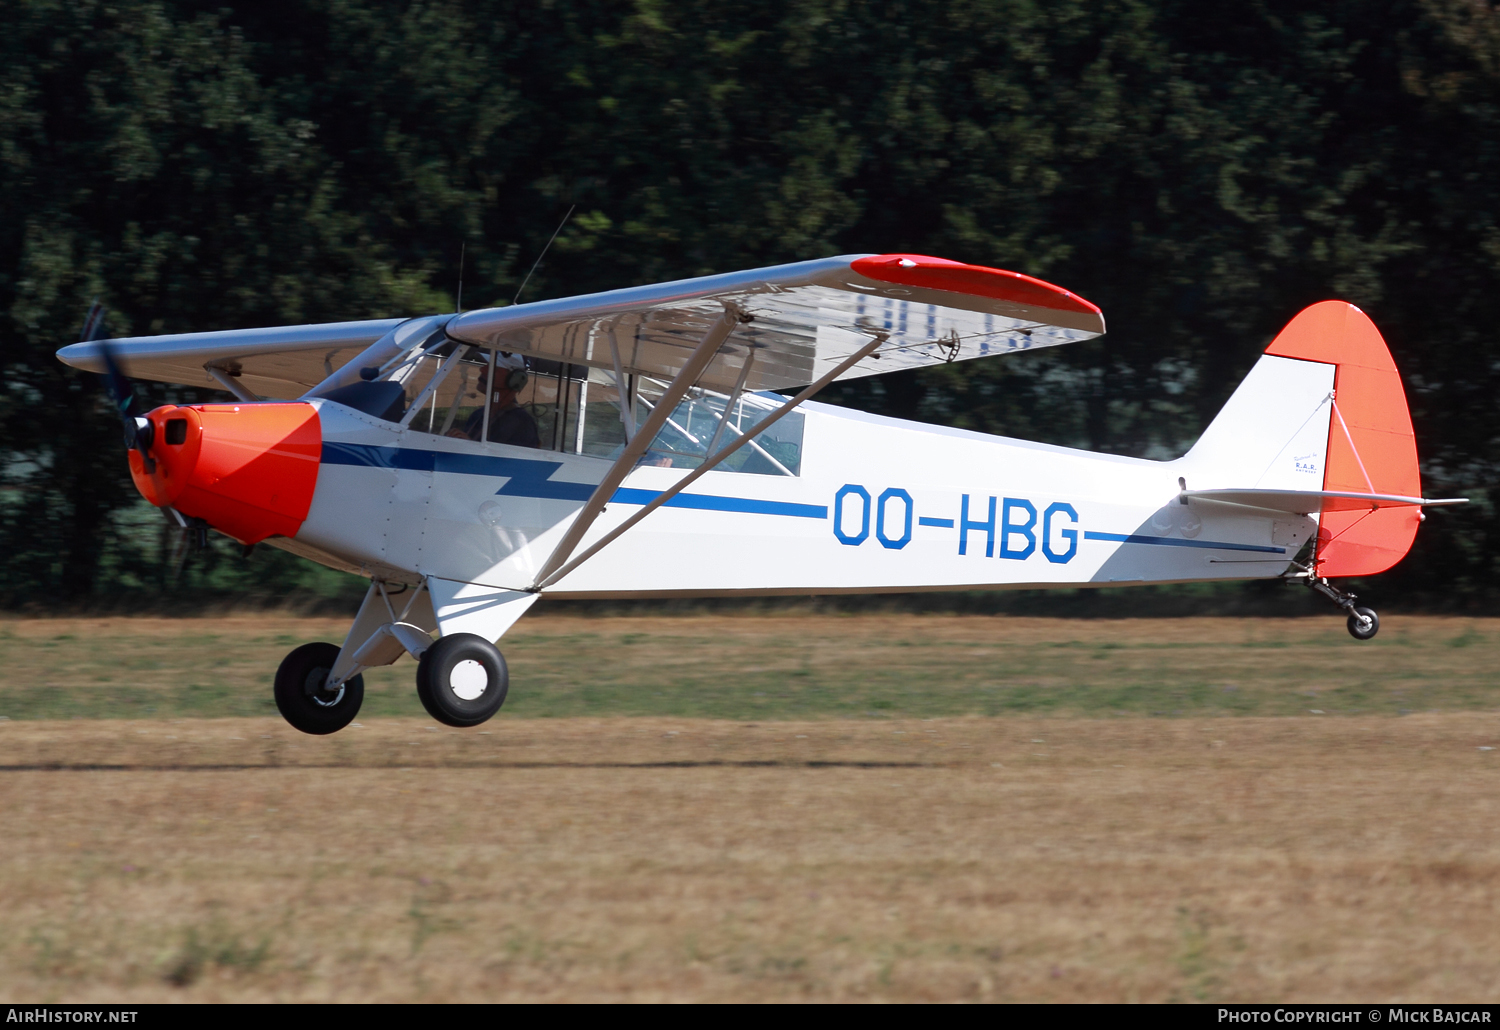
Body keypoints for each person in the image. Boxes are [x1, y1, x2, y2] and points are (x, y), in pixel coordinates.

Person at [452, 353, 540, 447]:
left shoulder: (522, 422)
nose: (483, 369)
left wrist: (470, 445)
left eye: (493, 368)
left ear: (515, 379)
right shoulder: (478, 415)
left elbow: (517, 460)